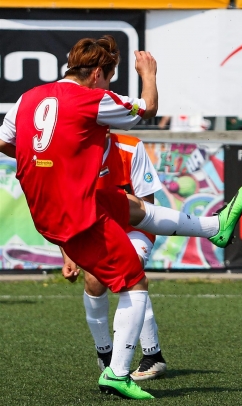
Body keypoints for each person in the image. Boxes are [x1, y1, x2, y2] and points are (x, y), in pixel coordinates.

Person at [0, 35, 242, 400]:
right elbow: (147, 108)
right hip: (73, 212)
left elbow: (4, 141)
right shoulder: (92, 98)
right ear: (97, 73)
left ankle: (214, 227)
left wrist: (47, 163)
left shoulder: (28, 98)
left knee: (129, 206)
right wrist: (149, 73)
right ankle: (117, 373)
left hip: (54, 202)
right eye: (109, 78)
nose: (107, 85)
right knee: (134, 282)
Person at [61, 133, 168, 381]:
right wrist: (68, 254)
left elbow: (147, 209)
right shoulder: (70, 153)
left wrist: (119, 244)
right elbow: (66, 212)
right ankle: (105, 354)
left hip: (136, 229)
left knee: (129, 273)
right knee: (93, 281)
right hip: (97, 232)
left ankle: (153, 355)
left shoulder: (131, 148)